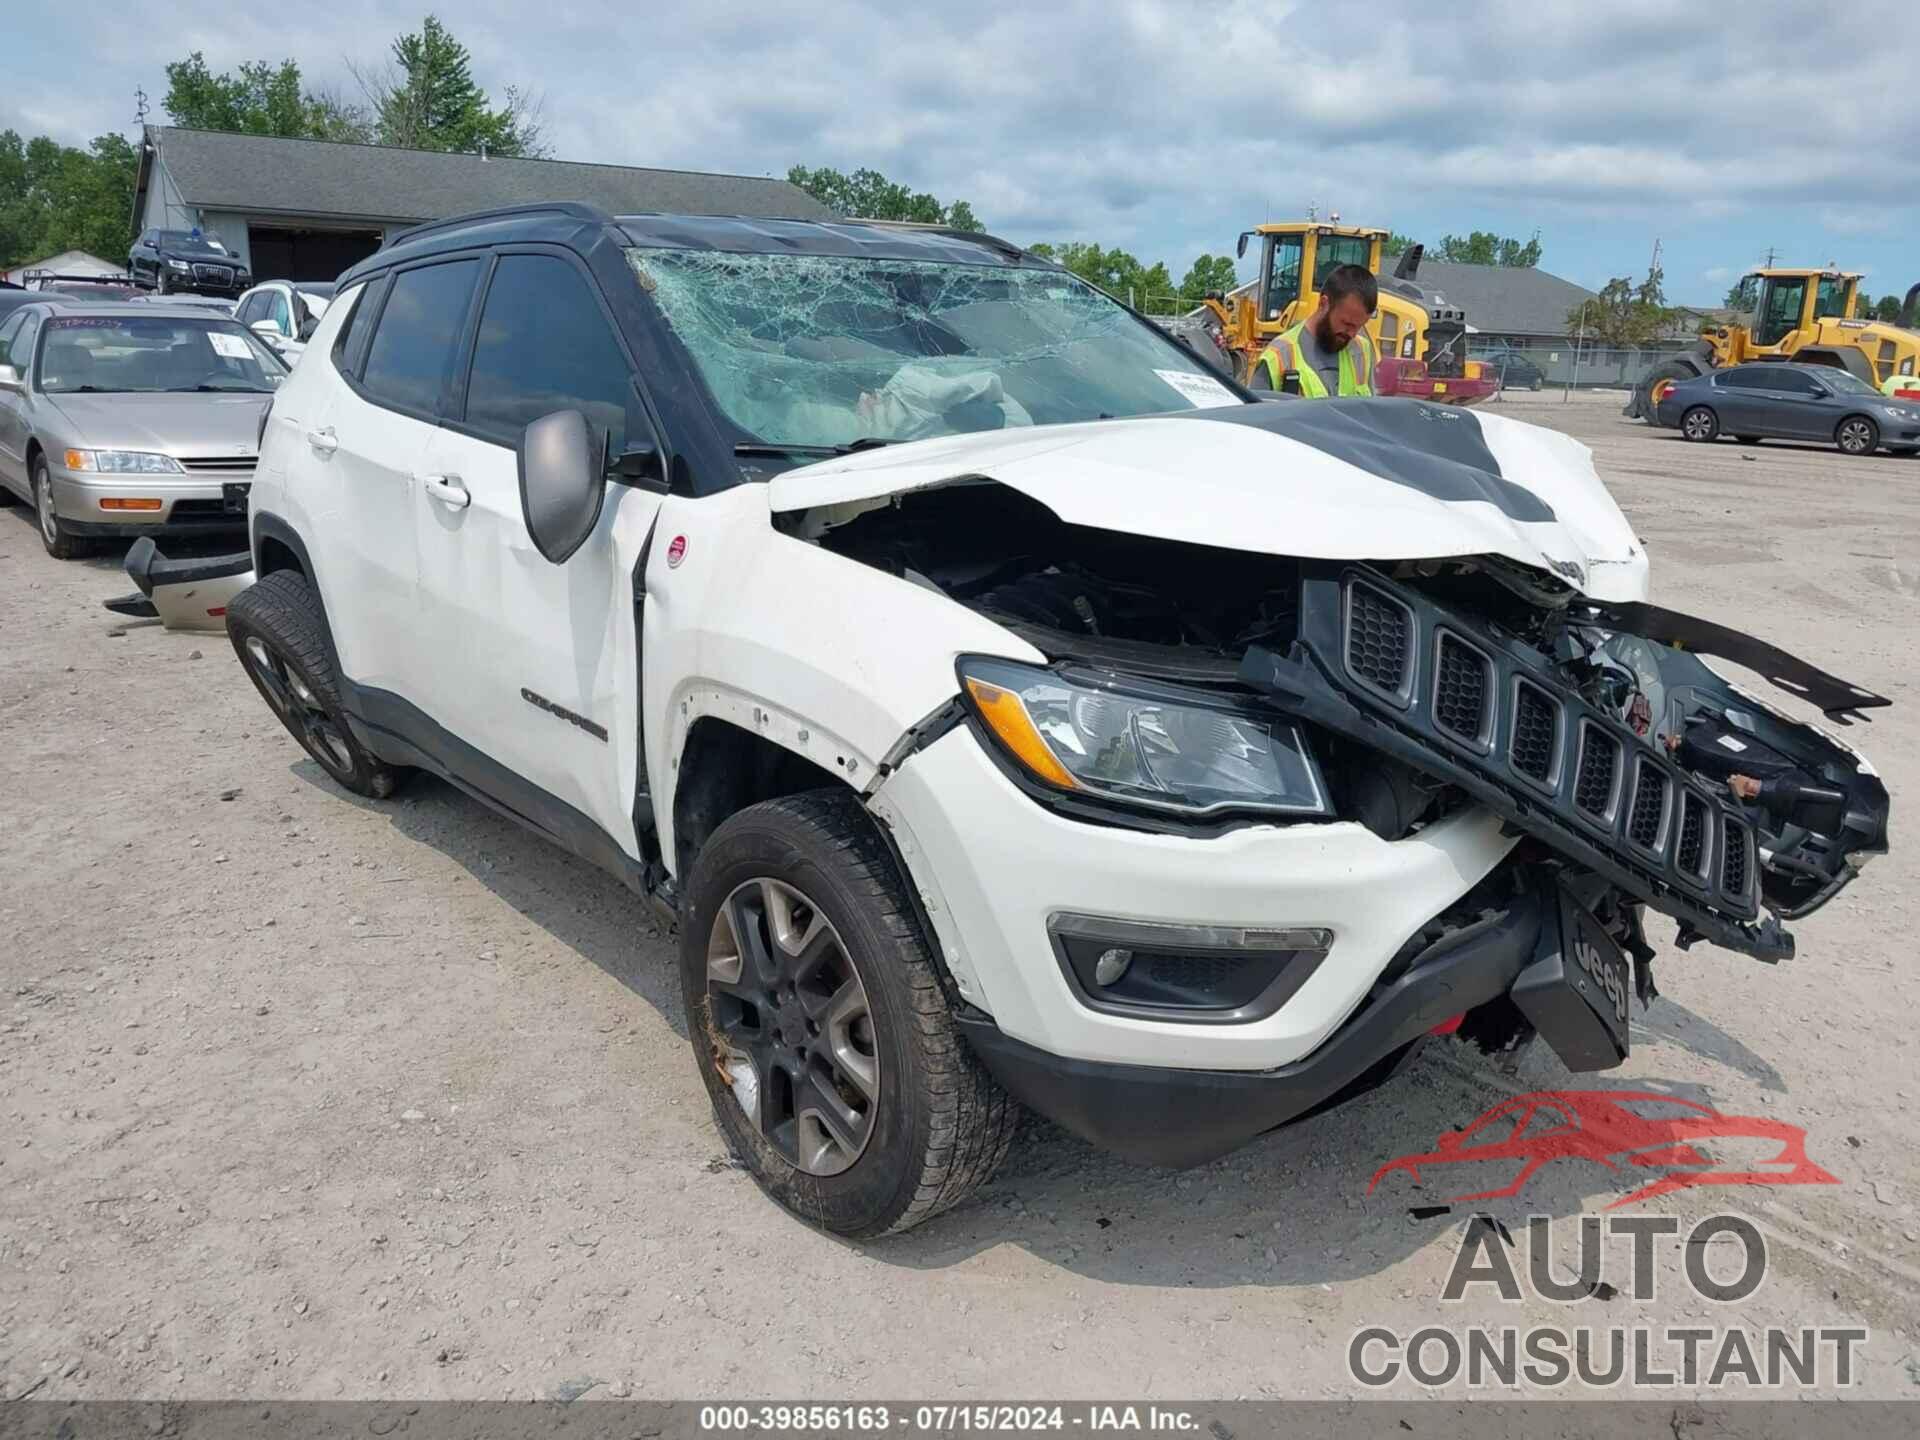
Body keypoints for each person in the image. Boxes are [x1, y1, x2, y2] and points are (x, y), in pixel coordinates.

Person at [1249, 263, 1377, 396]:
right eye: (1347, 323)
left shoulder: (1362, 350)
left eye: (1359, 326)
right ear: (1323, 304)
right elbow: (1255, 413)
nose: (1352, 333)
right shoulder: (1278, 356)